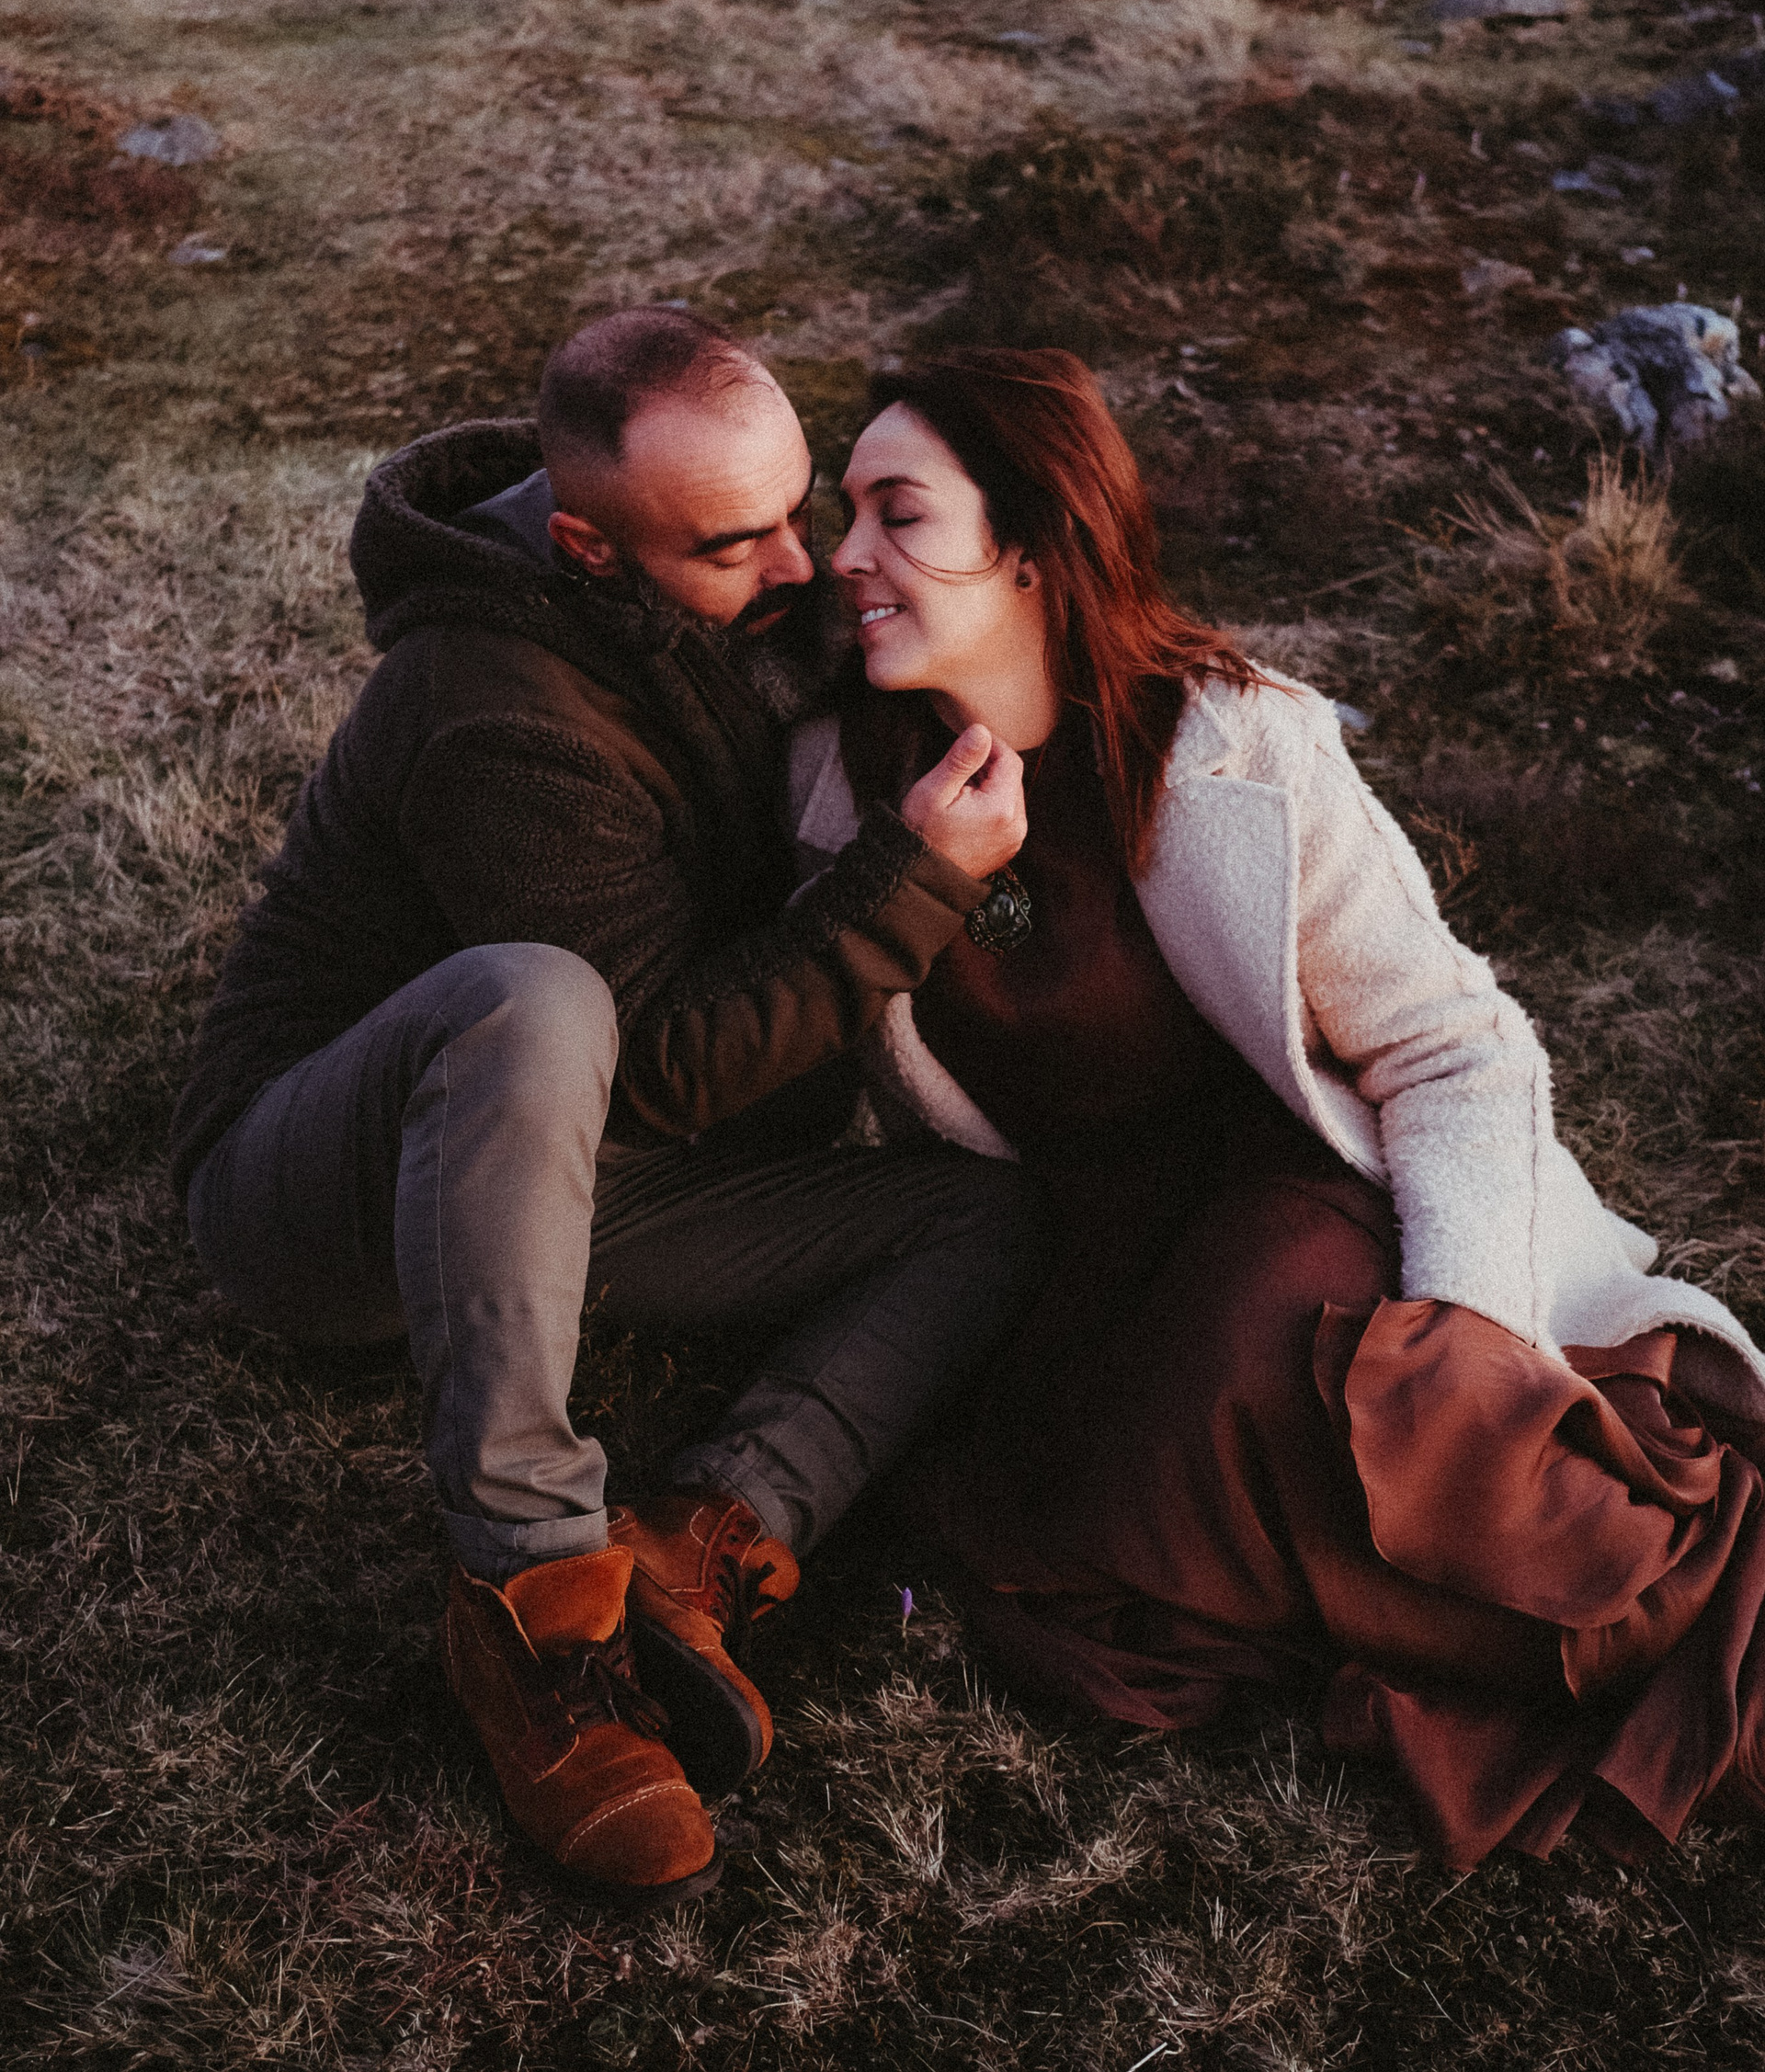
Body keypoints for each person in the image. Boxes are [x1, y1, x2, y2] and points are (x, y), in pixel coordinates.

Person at [789, 343, 1765, 1871]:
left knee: (1289, 1356)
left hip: (1308, 1214)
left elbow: (1455, 1043)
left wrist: (1469, 1328)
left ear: (1034, 548)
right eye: (841, 513)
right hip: (1075, 1270)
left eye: (896, 514)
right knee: (1047, 1539)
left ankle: (1635, 1621)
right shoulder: (833, 785)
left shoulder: (1235, 746)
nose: (843, 553)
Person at [171, 307, 1041, 1907]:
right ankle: (529, 1601)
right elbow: (657, 1069)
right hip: (325, 1197)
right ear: (585, 547)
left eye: (797, 509)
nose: (799, 565)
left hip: (578, 1166)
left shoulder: (686, 578)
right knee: (538, 1000)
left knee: (981, 1214)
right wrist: (913, 882)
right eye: (737, 543)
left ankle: (702, 1530)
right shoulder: (486, 703)